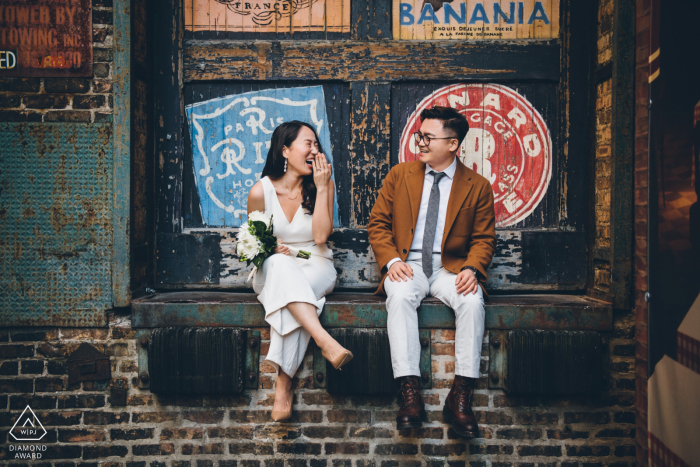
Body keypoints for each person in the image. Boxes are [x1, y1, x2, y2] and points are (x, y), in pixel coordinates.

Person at [368, 106, 496, 438]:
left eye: (428, 137)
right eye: (419, 135)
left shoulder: (478, 185)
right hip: (407, 265)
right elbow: (378, 224)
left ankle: (461, 395)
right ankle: (410, 394)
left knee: (473, 301)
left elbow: (484, 238)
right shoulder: (400, 175)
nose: (419, 142)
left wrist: (472, 267)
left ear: (453, 144)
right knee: (397, 296)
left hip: (449, 268)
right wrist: (392, 261)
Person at [247, 121, 353, 422]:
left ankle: (283, 382)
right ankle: (323, 339)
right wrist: (269, 246)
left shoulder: (323, 184)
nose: (315, 150)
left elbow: (320, 237)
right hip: (275, 269)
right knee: (280, 266)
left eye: (317, 144)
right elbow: (253, 246)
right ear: (285, 149)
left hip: (315, 264)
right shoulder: (260, 191)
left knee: (292, 298)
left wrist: (321, 187)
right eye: (308, 143)